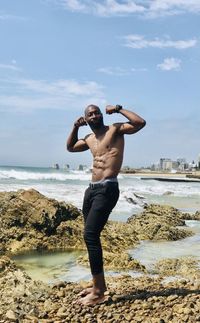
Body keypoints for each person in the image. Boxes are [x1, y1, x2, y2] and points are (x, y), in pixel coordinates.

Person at [66, 104, 146, 305]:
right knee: (90, 235)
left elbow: (140, 123)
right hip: (91, 189)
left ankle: (100, 291)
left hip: (108, 188)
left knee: (90, 235)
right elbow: (70, 147)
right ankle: (96, 284)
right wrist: (75, 127)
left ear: (102, 114)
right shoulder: (89, 139)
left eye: (96, 112)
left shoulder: (115, 129)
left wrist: (119, 109)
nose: (94, 115)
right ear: (86, 119)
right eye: (90, 114)